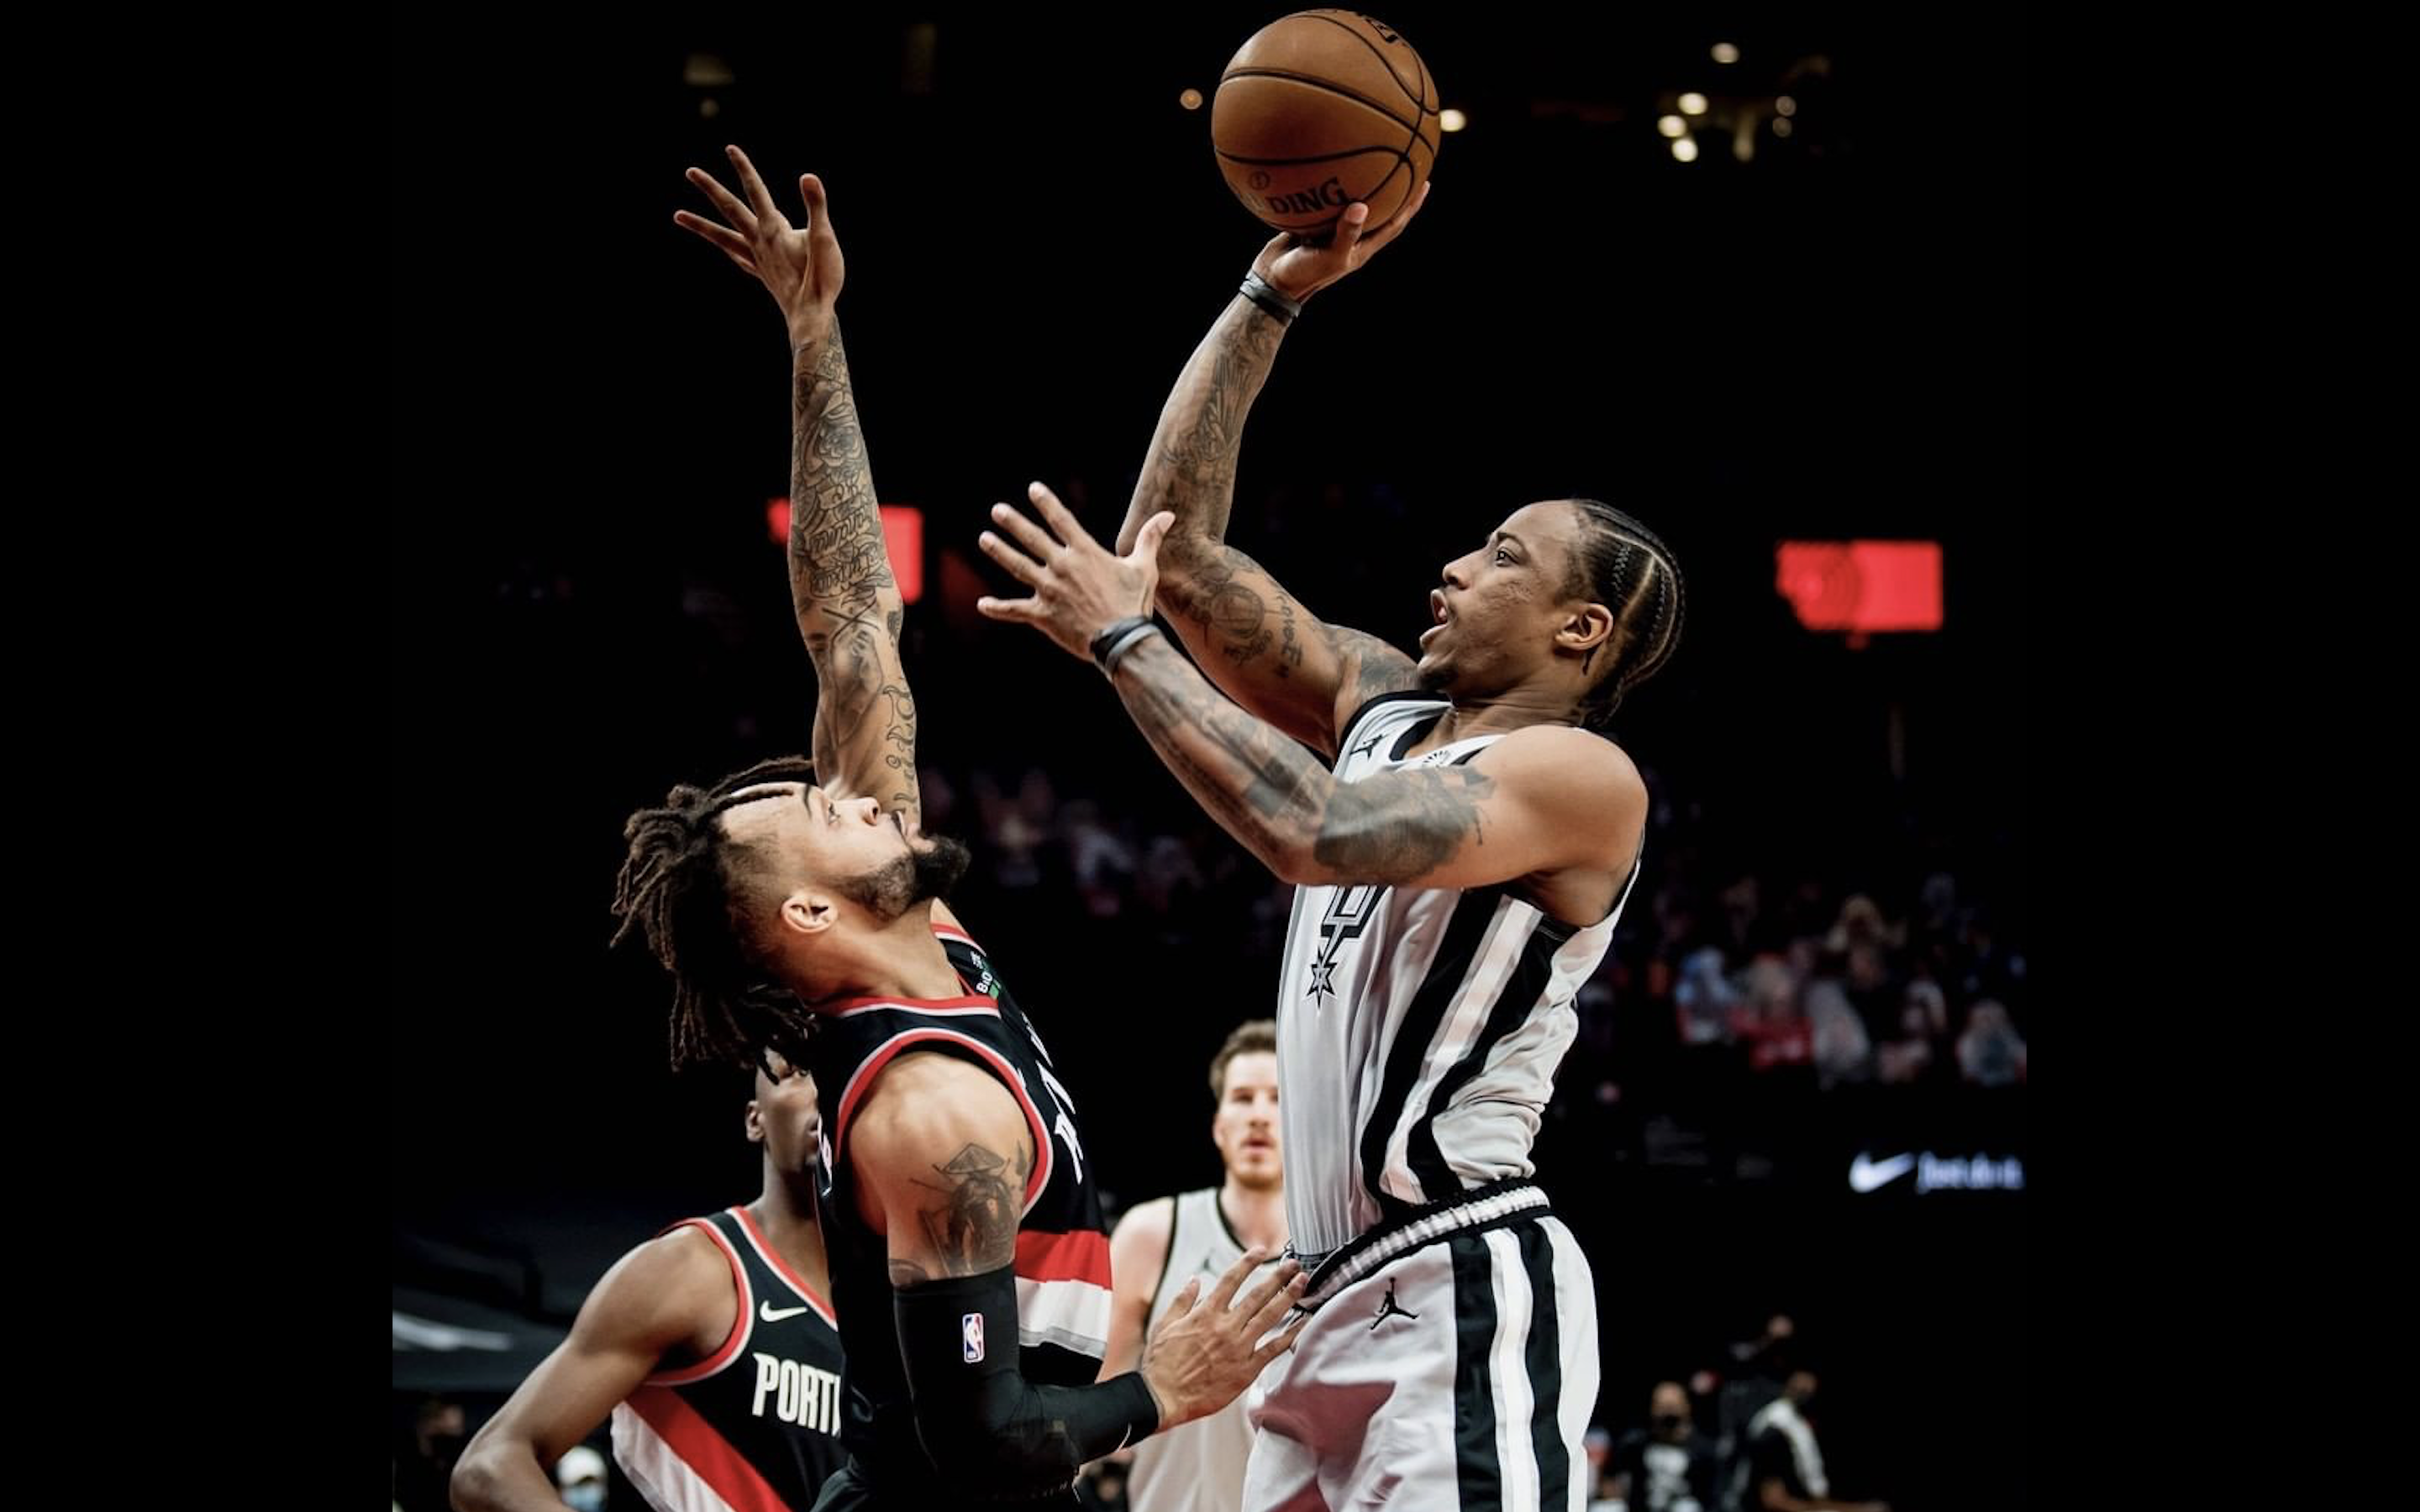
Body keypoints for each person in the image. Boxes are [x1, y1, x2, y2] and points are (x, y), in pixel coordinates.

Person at [976, 181, 1685, 1511]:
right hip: (1316, 1292)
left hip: (1458, 1276)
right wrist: (1270, 300)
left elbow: (1313, 831)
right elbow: (1174, 558)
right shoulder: (1383, 704)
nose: (1456, 567)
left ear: (1580, 633)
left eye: (1502, 556)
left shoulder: (1584, 779)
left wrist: (1123, 646)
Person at [617, 149, 1304, 1511]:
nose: (842, 793)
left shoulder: (917, 941)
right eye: (813, 813)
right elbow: (980, 1447)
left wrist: (813, 331)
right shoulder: (928, 1113)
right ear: (813, 913)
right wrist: (1174, 1386)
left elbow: (851, 628)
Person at [450, 1068, 845, 1510]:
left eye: (835, 1067)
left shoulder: (894, 1314)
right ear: (755, 1120)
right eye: (795, 1072)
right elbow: (489, 1467)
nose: (822, 1090)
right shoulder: (692, 1270)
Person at [1102, 1021, 1286, 1512]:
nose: (1260, 1116)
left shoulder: (1342, 1248)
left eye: (1277, 1098)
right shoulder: (1151, 1234)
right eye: (1243, 1098)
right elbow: (1090, 1405)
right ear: (1218, 1125)